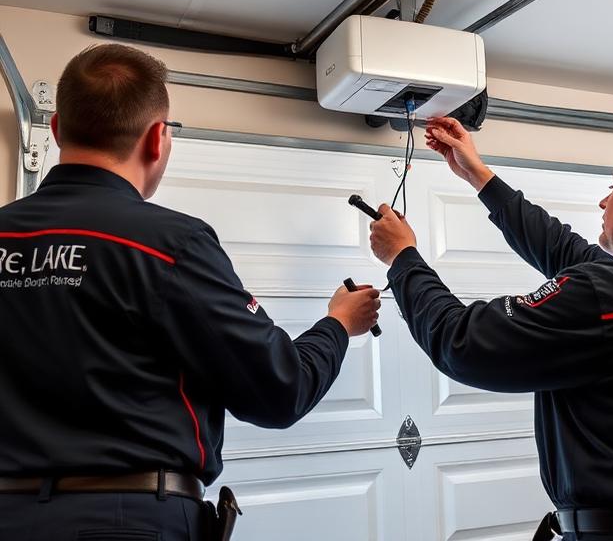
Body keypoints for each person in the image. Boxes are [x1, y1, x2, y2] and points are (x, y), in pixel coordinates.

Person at [0, 43, 380, 540]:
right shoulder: (169, 244)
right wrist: (338, 324)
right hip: (127, 523)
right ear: (158, 138)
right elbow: (279, 390)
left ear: (55, 129)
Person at [369, 116, 613, 541]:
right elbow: (564, 249)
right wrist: (479, 175)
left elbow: (463, 343)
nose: (605, 202)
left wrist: (403, 258)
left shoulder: (611, 293)